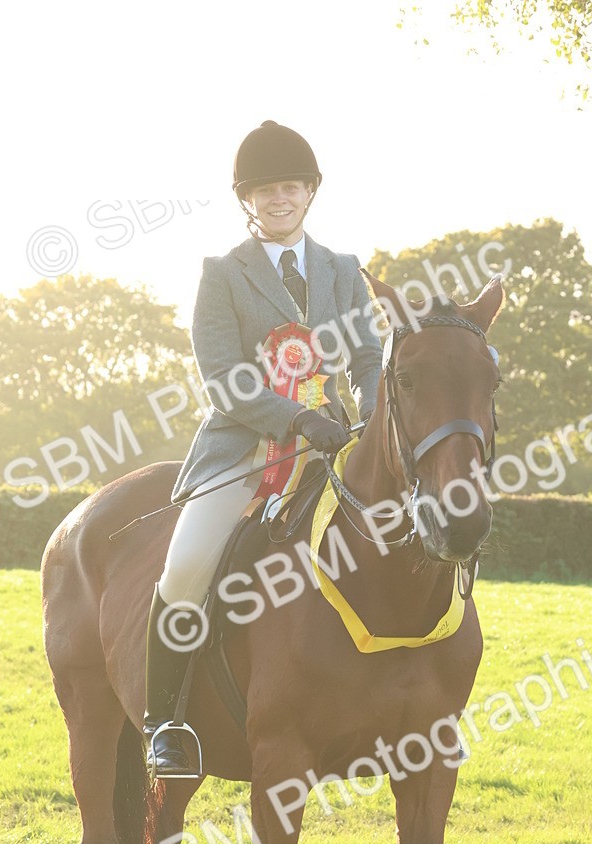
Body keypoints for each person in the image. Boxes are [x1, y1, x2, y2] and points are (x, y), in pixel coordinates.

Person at [143, 119, 384, 778]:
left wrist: (371, 413)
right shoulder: (222, 274)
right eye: (266, 190)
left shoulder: (343, 270)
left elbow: (367, 356)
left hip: (333, 444)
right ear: (246, 199)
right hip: (243, 453)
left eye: (291, 187)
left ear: (310, 192)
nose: (280, 198)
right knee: (187, 566)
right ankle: (164, 722)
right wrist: (295, 419)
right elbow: (223, 377)